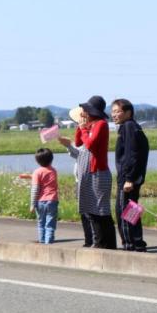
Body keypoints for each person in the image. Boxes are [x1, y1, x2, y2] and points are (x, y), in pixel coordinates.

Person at [62, 97, 116, 248]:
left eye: (85, 110)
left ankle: (104, 244)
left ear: (92, 111)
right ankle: (101, 243)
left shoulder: (101, 124)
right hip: (88, 173)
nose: (83, 112)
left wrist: (84, 128)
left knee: (100, 210)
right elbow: (79, 143)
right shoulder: (90, 125)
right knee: (91, 210)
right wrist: (80, 127)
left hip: (98, 172)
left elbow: (91, 144)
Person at [113, 98, 149, 251]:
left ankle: (130, 245)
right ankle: (138, 242)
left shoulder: (128, 126)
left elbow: (131, 154)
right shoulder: (133, 127)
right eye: (113, 112)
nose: (114, 115)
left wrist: (129, 178)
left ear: (128, 113)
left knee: (124, 211)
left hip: (128, 178)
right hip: (134, 177)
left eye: (118, 111)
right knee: (132, 209)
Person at [29, 147, 59, 244]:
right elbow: (46, 179)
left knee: (41, 223)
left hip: (40, 202)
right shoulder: (53, 171)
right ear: (51, 159)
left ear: (37, 161)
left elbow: (35, 189)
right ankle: (48, 244)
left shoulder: (37, 172)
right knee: (50, 224)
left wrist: (32, 204)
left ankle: (42, 243)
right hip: (52, 200)